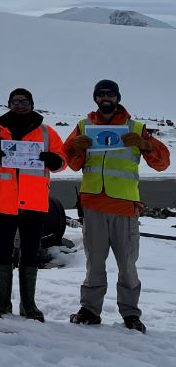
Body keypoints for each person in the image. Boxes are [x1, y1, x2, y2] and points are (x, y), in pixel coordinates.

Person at [64, 79, 170, 332]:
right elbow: (72, 162)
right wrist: (74, 149)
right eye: (101, 94)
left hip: (124, 205)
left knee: (127, 264)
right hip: (93, 205)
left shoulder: (135, 127)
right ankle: (89, 309)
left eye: (110, 94)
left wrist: (146, 144)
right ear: (95, 98)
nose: (105, 98)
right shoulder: (83, 126)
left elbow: (162, 163)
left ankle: (131, 314)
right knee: (94, 263)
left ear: (118, 97)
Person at [0, 88, 66, 321]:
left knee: (30, 254)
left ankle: (29, 305)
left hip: (35, 204)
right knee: (3, 253)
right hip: (3, 203)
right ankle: (2, 302)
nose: (20, 105)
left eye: (24, 101)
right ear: (9, 104)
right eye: (15, 101)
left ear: (31, 103)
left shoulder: (47, 132)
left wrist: (55, 161)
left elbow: (61, 160)